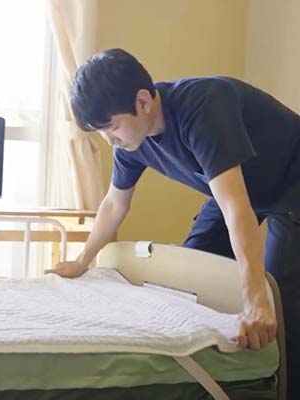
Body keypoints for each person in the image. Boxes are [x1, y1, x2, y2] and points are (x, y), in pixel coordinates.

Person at [45, 48, 300, 394]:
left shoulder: (202, 107)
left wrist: (255, 298)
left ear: (143, 101)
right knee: (191, 276)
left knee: (280, 299)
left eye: (113, 127)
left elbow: (235, 206)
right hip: (241, 186)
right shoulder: (132, 143)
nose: (110, 140)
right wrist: (81, 261)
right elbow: (114, 204)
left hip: (291, 181)